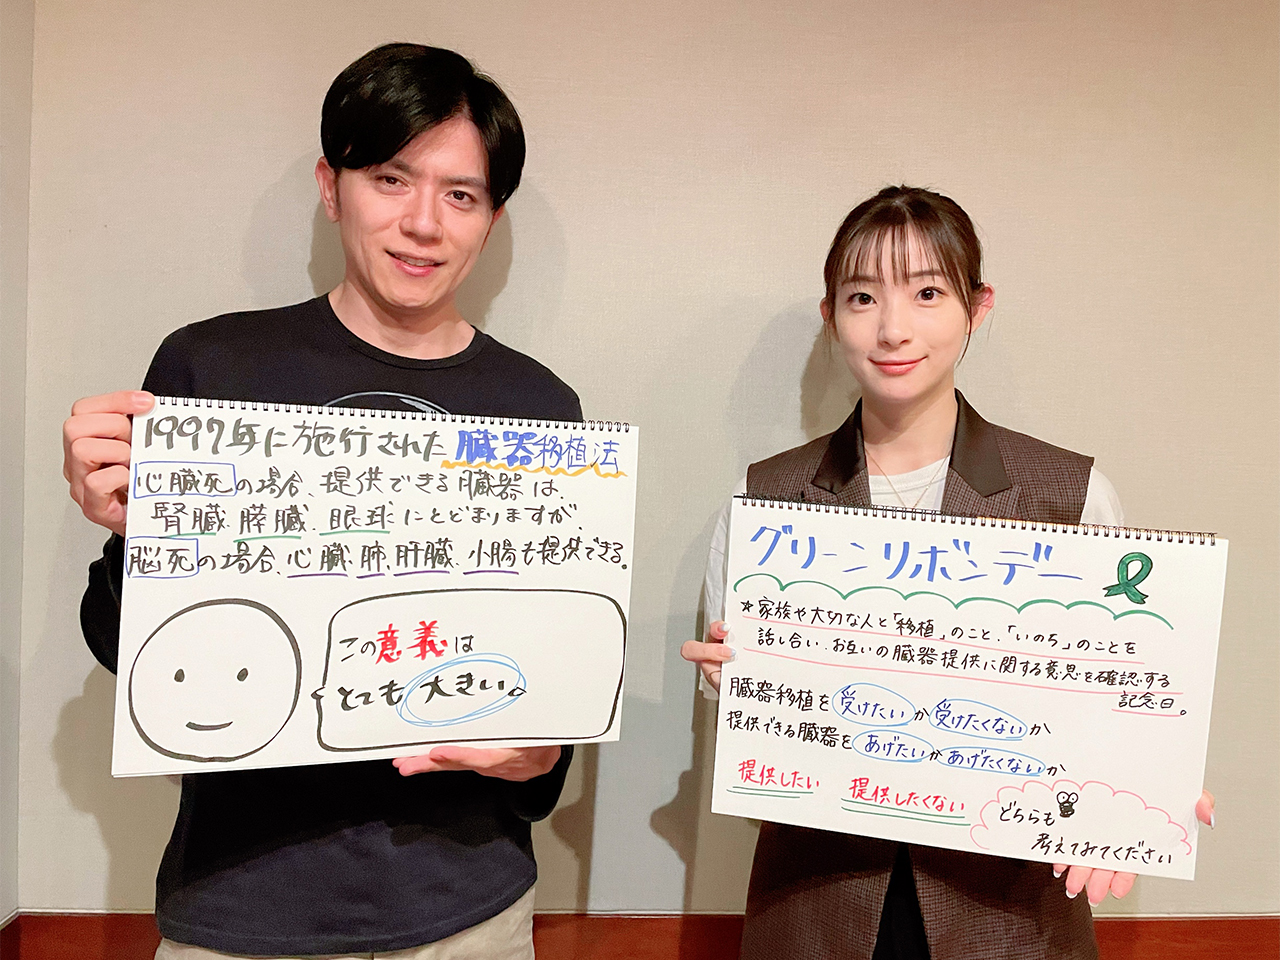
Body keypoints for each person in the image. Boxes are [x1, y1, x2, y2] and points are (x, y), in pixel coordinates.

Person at [62, 43, 579, 960]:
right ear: (331, 186)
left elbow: (545, 700)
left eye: (461, 195)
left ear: (491, 219)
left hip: (469, 903)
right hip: (243, 898)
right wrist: (133, 535)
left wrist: (542, 756)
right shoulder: (214, 370)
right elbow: (122, 651)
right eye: (390, 178)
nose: (423, 222)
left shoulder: (540, 410)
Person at [681, 185, 1215, 960]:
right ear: (831, 316)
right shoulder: (765, 500)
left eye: (928, 293)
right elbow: (749, 723)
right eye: (863, 297)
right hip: (816, 905)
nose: (894, 327)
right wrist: (734, 679)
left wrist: (1151, 780)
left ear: (977, 307)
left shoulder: (1068, 495)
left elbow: (1119, 696)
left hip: (1011, 914)